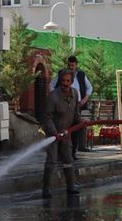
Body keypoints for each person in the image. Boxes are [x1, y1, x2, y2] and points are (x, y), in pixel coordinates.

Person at [40, 69, 81, 198]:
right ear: (60, 81)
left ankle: (70, 187)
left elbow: (76, 113)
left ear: (72, 82)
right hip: (53, 134)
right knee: (51, 160)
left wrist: (81, 123)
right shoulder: (53, 96)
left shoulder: (75, 94)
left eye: (68, 81)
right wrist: (54, 132)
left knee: (68, 160)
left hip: (66, 133)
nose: (65, 83)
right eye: (63, 81)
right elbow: (47, 117)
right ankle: (46, 189)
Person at [51, 56, 93, 161]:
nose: (70, 67)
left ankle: (73, 152)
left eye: (72, 65)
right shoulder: (61, 74)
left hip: (75, 106)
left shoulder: (81, 76)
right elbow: (51, 86)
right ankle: (60, 154)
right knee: (61, 129)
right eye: (69, 65)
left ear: (76, 65)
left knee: (75, 129)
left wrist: (84, 100)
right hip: (62, 106)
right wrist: (56, 99)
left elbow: (89, 88)